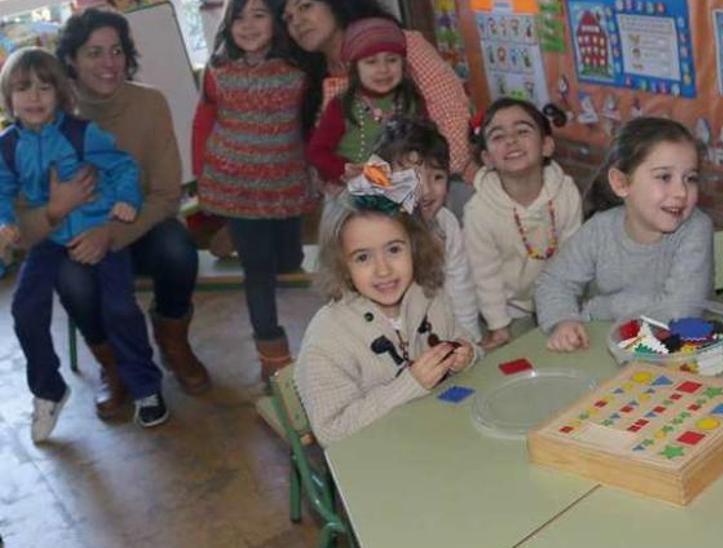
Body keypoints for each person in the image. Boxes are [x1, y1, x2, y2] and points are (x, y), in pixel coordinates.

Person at [17, 9, 209, 415]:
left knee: (179, 249)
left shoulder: (150, 104)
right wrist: (56, 210)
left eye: (116, 51)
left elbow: (165, 194)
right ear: (70, 59)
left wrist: (111, 234)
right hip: (76, 235)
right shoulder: (47, 114)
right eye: (94, 53)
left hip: (139, 227)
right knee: (72, 280)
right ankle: (114, 367)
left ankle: (173, 341)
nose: (109, 63)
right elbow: (26, 222)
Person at [0, 47, 167, 439]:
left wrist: (128, 199)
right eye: (23, 89)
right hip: (50, 240)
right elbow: (2, 190)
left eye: (45, 88)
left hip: (98, 230)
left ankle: (145, 386)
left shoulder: (80, 133)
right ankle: (48, 391)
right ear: (9, 98)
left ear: (61, 94)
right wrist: (5, 222)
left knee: (119, 307)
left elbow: (124, 165)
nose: (35, 97)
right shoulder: (7, 146)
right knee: (25, 310)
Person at [296, 180, 476, 447]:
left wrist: (468, 354)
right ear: (341, 264)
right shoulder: (328, 337)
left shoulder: (430, 296)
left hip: (433, 437)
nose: (383, 270)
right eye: (363, 257)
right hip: (373, 460)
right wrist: (410, 384)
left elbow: (465, 343)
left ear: (414, 247)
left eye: (393, 250)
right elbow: (331, 431)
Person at [192, 0, 315, 383]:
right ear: (227, 26)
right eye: (239, 17)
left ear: (278, 22)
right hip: (236, 186)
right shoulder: (218, 71)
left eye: (258, 15)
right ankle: (272, 353)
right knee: (258, 272)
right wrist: (202, 175)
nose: (247, 25)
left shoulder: (299, 68)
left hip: (285, 183)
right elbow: (204, 121)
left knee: (289, 259)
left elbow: (309, 120)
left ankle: (233, 240)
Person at [534, 117, 712, 353]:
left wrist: (600, 307)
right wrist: (564, 320)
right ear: (621, 183)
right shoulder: (600, 228)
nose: (681, 192)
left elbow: (680, 311)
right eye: (664, 177)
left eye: (690, 179)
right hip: (608, 347)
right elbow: (552, 282)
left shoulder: (696, 228)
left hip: (679, 352)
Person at [279, 0, 472, 179]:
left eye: (305, 6)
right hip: (362, 204)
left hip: (435, 188)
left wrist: (428, 179)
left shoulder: (400, 46)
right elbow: (323, 157)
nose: (297, 22)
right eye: (288, 18)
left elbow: (451, 114)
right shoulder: (313, 82)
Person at [465, 98, 580, 350]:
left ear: (547, 145)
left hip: (558, 296)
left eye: (522, 131)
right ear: (487, 158)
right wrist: (498, 326)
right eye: (498, 136)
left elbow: (574, 257)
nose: (511, 141)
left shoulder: (566, 193)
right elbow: (485, 275)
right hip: (508, 307)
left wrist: (565, 309)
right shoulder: (479, 211)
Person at [373, 116, 481, 341]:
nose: (426, 191)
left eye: (437, 177)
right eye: (411, 178)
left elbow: (460, 287)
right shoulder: (374, 231)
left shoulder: (445, 223)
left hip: (433, 328)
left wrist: (469, 340)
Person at [305, 16, 424, 191]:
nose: (383, 69)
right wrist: (344, 169)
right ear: (354, 68)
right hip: (354, 192)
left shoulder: (411, 101)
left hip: (404, 189)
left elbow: (427, 142)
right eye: (371, 62)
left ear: (403, 65)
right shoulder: (341, 106)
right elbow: (317, 152)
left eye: (392, 60)